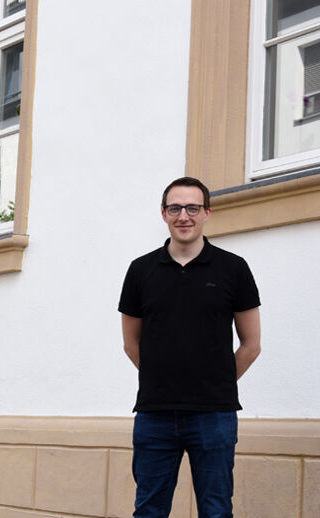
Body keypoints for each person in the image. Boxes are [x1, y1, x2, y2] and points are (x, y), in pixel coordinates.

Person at [118, 177, 262, 517]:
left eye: (193, 208)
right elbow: (130, 343)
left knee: (215, 510)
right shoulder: (141, 271)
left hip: (214, 414)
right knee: (149, 510)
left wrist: (216, 382)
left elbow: (251, 345)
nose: (184, 216)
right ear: (164, 214)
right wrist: (165, 378)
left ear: (207, 213)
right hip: (154, 414)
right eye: (175, 208)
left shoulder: (233, 268)